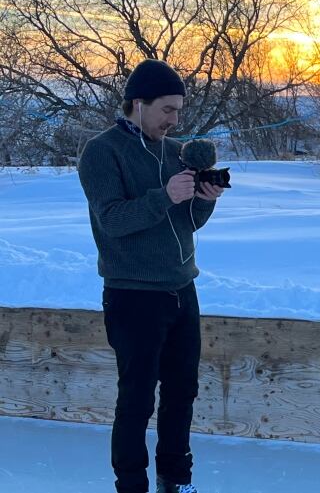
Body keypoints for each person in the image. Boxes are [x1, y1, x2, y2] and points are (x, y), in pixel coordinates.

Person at [78, 59, 225, 493]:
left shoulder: (175, 150)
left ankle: (176, 481)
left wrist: (204, 198)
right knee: (138, 400)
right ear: (138, 105)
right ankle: (132, 486)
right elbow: (113, 220)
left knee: (182, 392)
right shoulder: (102, 152)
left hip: (183, 289)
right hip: (133, 296)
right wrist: (164, 195)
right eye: (167, 110)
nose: (174, 120)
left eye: (178, 110)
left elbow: (187, 223)